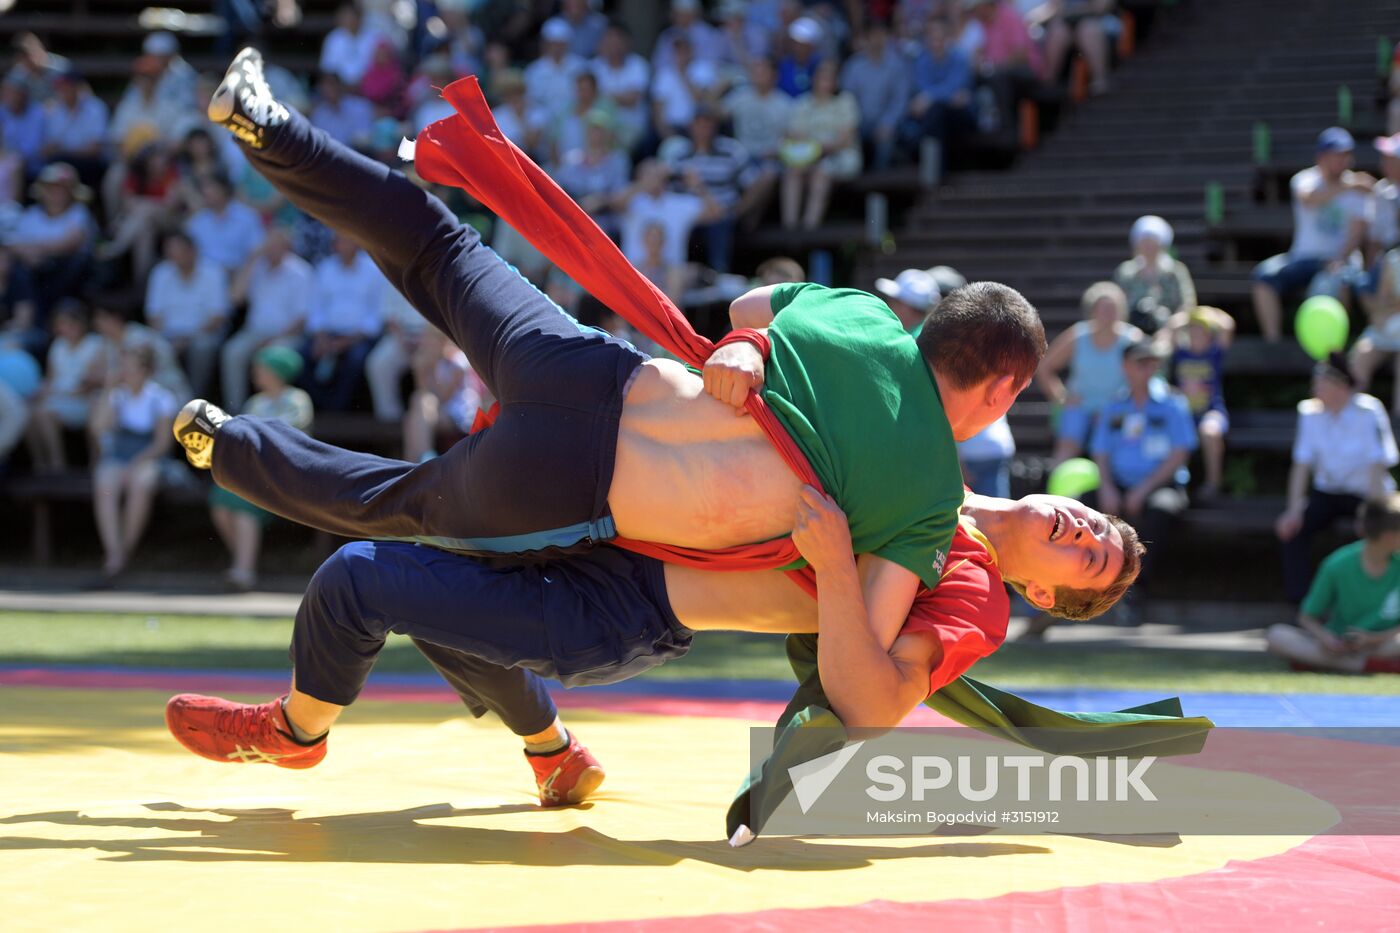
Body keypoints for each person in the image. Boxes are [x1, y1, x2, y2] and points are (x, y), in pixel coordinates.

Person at [186, 49, 1052, 663]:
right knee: (396, 505)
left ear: (935, 322)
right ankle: (224, 447)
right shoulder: (932, 503)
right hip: (573, 487)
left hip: (595, 373)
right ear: (1003, 388)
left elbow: (745, 312)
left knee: (439, 248)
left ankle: (271, 128)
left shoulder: (862, 314)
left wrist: (752, 348)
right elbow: (855, 647)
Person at [1084, 338, 1197, 617]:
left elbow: (1179, 453)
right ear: (1125, 367)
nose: (1148, 368)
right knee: (1082, 507)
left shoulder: (1172, 403)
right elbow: (1100, 451)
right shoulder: (1114, 405)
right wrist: (1108, 487)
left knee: (1160, 510)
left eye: (1152, 363)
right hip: (1119, 482)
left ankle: (1135, 591)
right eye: (1141, 363)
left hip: (1160, 484)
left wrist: (1144, 489)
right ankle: (1086, 587)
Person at [1277, 352, 1399, 603]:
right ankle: (1303, 604)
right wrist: (1293, 510)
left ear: (1340, 386)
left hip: (1367, 495)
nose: (1315, 388)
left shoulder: (1369, 412)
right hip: (1327, 494)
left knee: (1379, 534)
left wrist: (1371, 514)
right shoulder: (1308, 413)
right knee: (1293, 531)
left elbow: (1377, 467)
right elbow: (1301, 465)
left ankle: (1371, 603)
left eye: (1320, 382)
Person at [1252, 128, 1371, 342]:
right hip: (1302, 258)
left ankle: (1334, 348)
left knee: (1328, 285)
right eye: (1337, 155)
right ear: (1321, 157)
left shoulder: (1358, 188)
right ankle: (1273, 342)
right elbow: (1309, 199)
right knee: (1263, 276)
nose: (1343, 160)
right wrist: (1348, 186)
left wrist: (1339, 258)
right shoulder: (1306, 179)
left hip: (1340, 261)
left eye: (1346, 154)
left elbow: (1358, 231)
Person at [209, 345, 313, 591]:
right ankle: (245, 562)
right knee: (222, 500)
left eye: (261, 369)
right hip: (256, 471)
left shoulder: (297, 400)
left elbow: (285, 437)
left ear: (276, 372)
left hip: (287, 473)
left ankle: (244, 570)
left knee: (245, 504)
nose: (255, 374)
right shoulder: (255, 402)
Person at [1267, 495, 1400, 673]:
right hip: (1339, 648)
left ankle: (1322, 663)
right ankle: (1368, 666)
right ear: (1390, 536)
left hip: (1384, 644)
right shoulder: (1337, 564)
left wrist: (1372, 639)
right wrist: (1326, 638)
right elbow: (1306, 617)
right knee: (1276, 636)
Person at [91, 344, 178, 581]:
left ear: (146, 371)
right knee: (105, 483)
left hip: (148, 456)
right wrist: (108, 388)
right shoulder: (117, 395)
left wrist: (136, 462)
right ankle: (114, 551)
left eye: (131, 367)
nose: (125, 371)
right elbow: (98, 427)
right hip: (119, 457)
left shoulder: (161, 398)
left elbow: (162, 444)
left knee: (140, 483)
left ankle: (123, 553)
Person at [1035, 281, 1142, 464]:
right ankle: (1056, 485)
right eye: (1103, 309)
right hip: (1081, 405)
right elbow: (1045, 368)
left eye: (1113, 309)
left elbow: (1149, 372)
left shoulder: (1132, 338)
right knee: (1067, 448)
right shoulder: (1078, 336)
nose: (1108, 314)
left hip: (1118, 407)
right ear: (1092, 311)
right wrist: (1061, 398)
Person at [221, 226, 312, 411]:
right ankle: (236, 410)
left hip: (287, 335)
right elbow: (235, 297)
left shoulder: (301, 272)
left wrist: (272, 340)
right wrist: (251, 259)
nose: (269, 250)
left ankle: (281, 410)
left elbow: (301, 319)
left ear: (286, 248)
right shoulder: (256, 267)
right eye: (267, 245)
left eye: (274, 246)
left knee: (271, 356)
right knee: (232, 352)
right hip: (254, 332)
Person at [301, 233, 383, 411]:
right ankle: (320, 408)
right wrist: (321, 337)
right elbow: (316, 309)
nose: (344, 246)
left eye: (348, 241)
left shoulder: (373, 271)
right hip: (327, 334)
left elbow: (375, 315)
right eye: (340, 242)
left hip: (359, 337)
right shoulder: (325, 269)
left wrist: (347, 342)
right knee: (304, 355)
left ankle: (340, 410)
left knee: (355, 360)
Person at [144, 230, 229, 398]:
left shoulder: (213, 272)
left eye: (178, 251)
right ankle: (162, 401)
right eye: (170, 252)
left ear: (192, 251)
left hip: (202, 334)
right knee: (151, 345)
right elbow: (153, 316)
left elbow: (217, 318)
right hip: (168, 334)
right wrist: (165, 338)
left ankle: (195, 399)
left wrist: (187, 339)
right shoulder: (160, 273)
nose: (173, 257)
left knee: (202, 347)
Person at [1162, 306, 1234, 499]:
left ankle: (1213, 483)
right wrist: (1187, 316)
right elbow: (1170, 329)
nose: (1196, 334)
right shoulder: (1180, 354)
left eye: (1201, 330)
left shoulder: (1214, 354)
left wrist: (1206, 312)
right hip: (1182, 413)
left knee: (1210, 432)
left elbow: (1227, 326)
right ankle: (1174, 484)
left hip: (1210, 410)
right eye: (1192, 330)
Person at [779, 60, 860, 230]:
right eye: (821, 77)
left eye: (829, 77)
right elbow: (794, 135)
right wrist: (815, 150)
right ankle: (790, 226)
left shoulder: (846, 101)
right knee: (792, 171)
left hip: (839, 156)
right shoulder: (802, 103)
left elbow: (845, 138)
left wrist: (818, 148)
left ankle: (810, 227)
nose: (825, 81)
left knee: (821, 173)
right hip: (808, 156)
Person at [26, 299, 104, 472]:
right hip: (60, 399)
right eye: (60, 324)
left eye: (68, 324)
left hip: (83, 401)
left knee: (45, 413)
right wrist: (40, 392)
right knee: (31, 412)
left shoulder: (95, 344)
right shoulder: (58, 345)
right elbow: (50, 378)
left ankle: (58, 465)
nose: (63, 328)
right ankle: (43, 465)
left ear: (80, 323)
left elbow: (91, 383)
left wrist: (65, 393)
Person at [402, 327, 486, 463]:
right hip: (440, 412)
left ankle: (418, 461)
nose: (425, 344)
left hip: (461, 417)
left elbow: (443, 397)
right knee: (416, 407)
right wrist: (420, 372)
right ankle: (418, 460)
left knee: (418, 410)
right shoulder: (434, 361)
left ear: (442, 341)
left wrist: (429, 369)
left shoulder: (459, 362)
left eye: (429, 340)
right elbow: (425, 392)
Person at [840, 21, 910, 171]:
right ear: (866, 37)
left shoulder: (897, 65)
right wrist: (853, 124)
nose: (878, 39)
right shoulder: (853, 66)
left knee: (888, 137)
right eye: (873, 35)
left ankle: (879, 184)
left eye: (881, 35)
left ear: (887, 37)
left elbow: (900, 99)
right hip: (859, 122)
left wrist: (888, 122)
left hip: (886, 122)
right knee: (847, 138)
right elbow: (847, 99)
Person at [1112, 215, 1197, 335]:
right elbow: (1117, 306)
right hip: (1132, 332)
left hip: (1169, 333)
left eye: (1152, 242)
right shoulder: (1125, 271)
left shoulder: (1176, 271)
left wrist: (1169, 330)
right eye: (1144, 242)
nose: (1148, 247)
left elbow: (1187, 306)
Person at [873, 267, 939, 332]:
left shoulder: (915, 339)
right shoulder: (923, 333)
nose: (889, 304)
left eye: (896, 301)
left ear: (911, 309)